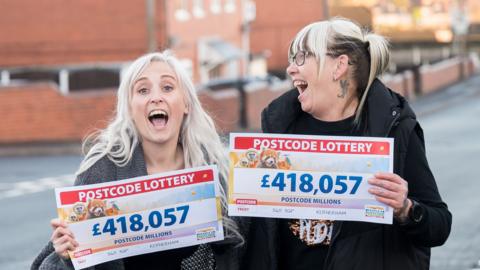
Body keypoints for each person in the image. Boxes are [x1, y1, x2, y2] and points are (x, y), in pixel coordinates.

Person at [242, 17, 452, 270]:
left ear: (339, 65)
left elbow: (439, 225)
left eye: (302, 57)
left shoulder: (395, 130)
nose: (290, 69)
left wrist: (406, 209)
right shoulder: (278, 131)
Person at [31, 51, 246, 270]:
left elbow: (248, 247)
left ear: (186, 105)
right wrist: (67, 258)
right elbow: (47, 263)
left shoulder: (212, 170)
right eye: (143, 90)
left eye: (168, 87)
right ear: (131, 109)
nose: (156, 97)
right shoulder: (102, 171)